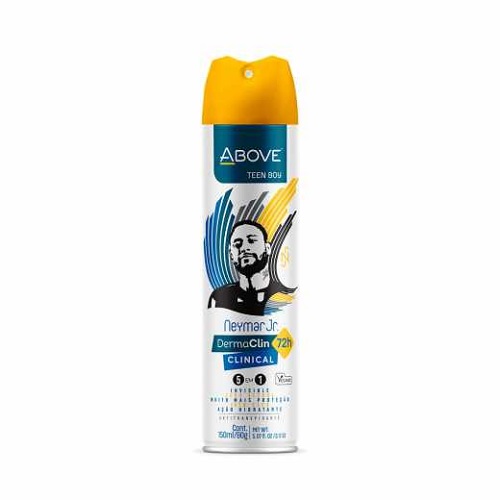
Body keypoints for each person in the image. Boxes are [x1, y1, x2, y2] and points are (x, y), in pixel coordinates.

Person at [208, 220, 285, 315]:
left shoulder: (284, 296)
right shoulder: (218, 298)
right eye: (237, 244)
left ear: (267, 248)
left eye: (251, 241)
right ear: (231, 255)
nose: (244, 248)